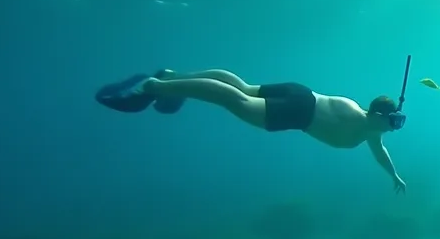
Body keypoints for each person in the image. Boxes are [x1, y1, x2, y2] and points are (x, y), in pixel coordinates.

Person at [96, 69, 407, 193]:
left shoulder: (371, 130)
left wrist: (393, 175)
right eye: (393, 121)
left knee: (242, 88)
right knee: (238, 100)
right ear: (379, 116)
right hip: (299, 112)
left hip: (301, 96)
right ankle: (158, 86)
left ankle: (173, 79)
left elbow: (379, 150)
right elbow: (368, 129)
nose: (395, 127)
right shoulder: (360, 118)